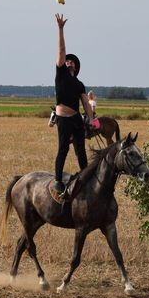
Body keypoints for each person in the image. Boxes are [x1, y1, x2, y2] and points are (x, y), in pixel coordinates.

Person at [53, 13, 95, 198]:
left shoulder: (79, 84)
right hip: (63, 116)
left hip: (77, 118)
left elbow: (85, 102)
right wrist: (61, 29)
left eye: (72, 62)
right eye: (68, 60)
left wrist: (92, 119)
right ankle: (58, 181)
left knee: (80, 148)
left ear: (76, 67)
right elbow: (61, 51)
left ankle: (86, 177)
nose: (69, 62)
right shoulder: (60, 74)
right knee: (63, 148)